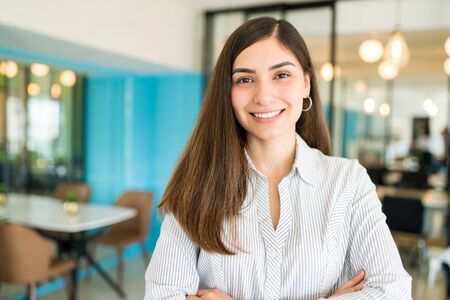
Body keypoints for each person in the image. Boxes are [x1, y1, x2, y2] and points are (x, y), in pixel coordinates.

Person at [144, 17, 411, 299]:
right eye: (245, 79)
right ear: (228, 92)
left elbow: (392, 291)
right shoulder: (197, 186)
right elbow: (162, 295)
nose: (264, 95)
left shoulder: (348, 182)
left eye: (281, 75)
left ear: (306, 84)